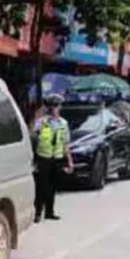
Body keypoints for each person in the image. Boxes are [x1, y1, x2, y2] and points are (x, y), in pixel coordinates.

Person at [32, 94, 74, 222]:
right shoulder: (41, 122)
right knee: (41, 187)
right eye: (53, 106)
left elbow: (65, 143)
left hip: (57, 159)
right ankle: (38, 212)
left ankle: (49, 212)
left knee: (52, 187)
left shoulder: (63, 123)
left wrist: (70, 161)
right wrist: (37, 115)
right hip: (43, 158)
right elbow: (32, 135)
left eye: (57, 106)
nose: (56, 109)